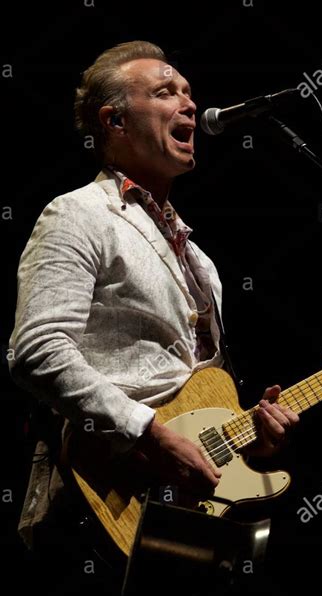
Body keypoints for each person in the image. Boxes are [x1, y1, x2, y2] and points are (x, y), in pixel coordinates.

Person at [8, 40, 300, 552]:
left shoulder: (201, 262)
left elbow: (194, 398)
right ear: (115, 122)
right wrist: (149, 436)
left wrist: (252, 432)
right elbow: (37, 351)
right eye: (165, 92)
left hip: (190, 511)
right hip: (100, 497)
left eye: (188, 92)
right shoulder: (79, 214)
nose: (189, 103)